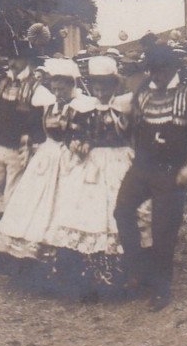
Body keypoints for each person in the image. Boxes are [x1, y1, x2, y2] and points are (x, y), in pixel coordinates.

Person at [114, 44, 187, 310]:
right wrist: (124, 116)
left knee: (163, 229)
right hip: (142, 168)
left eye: (161, 71)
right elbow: (128, 131)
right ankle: (138, 272)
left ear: (172, 69)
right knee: (122, 211)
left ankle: (161, 288)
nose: (156, 76)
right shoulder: (143, 95)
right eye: (152, 71)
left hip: (171, 172)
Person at [50, 56, 150, 298]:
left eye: (105, 86)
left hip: (119, 160)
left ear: (115, 85)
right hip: (92, 164)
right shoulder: (85, 108)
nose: (100, 91)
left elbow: (135, 132)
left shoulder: (125, 106)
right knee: (87, 210)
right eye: (96, 86)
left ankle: (129, 272)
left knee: (121, 210)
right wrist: (78, 143)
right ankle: (87, 276)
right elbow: (73, 132)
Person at [0, 58, 79, 264]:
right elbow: (38, 130)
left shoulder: (79, 107)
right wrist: (29, 139)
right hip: (46, 157)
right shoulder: (48, 106)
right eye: (55, 89)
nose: (58, 94)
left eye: (62, 90)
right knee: (34, 202)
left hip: (69, 159)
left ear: (72, 87)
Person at [0, 43, 55, 257]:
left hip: (18, 151)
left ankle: (4, 248)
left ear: (27, 61)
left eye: (17, 58)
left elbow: (42, 123)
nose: (12, 63)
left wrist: (31, 144)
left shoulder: (37, 88)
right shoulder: (1, 84)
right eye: (10, 58)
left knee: (12, 199)